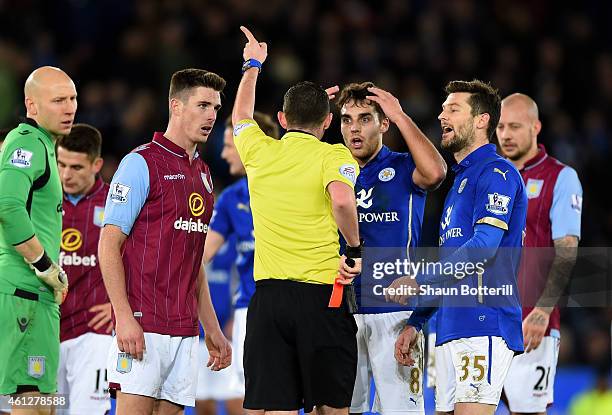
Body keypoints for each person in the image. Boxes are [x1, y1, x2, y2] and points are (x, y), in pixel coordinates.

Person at [232, 27, 362, 415]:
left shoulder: (259, 151)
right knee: (332, 407)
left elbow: (240, 114)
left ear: (281, 118)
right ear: (327, 122)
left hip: (269, 298)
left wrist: (253, 64)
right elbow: (341, 200)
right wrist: (354, 248)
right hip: (322, 297)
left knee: (278, 408)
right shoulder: (334, 156)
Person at [98, 68, 232, 415]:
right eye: (202, 105)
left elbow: (194, 261)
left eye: (216, 108)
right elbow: (108, 245)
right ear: (176, 106)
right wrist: (124, 316)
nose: (211, 116)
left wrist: (211, 329)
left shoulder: (202, 173)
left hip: (185, 330)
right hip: (143, 324)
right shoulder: (140, 163)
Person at [394, 80, 527, 415]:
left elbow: (483, 248)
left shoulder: (497, 174)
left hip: (484, 322)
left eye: (453, 108)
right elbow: (453, 263)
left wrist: (419, 282)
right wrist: (417, 320)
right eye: (443, 108)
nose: (442, 115)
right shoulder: (459, 183)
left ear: (481, 120)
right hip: (450, 325)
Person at [335, 82, 446, 415]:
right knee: (339, 410)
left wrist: (399, 114)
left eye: (364, 118)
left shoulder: (401, 166)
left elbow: (437, 172)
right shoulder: (332, 170)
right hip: (343, 312)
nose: (353, 127)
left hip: (396, 312)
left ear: (383, 124)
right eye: (345, 119)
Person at [497, 93, 582, 415]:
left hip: (531, 320)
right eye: (501, 126)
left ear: (536, 127)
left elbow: (567, 250)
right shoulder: (492, 175)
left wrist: (543, 312)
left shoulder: (560, 177)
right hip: (483, 317)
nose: (505, 134)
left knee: (527, 412)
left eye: (515, 126)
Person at [0, 66, 75, 411]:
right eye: (58, 100)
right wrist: (45, 265)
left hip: (31, 297)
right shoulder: (27, 143)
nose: (69, 107)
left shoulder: (43, 145)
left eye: (72, 98)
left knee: (40, 401)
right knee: (31, 401)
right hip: (24, 295)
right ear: (32, 105)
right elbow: (8, 206)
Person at [198, 112, 280, 415]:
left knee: (295, 395)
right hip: (251, 308)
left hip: (295, 301)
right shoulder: (233, 198)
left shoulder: (292, 184)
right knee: (252, 397)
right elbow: (201, 254)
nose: (223, 153)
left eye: (230, 145)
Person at [56, 123, 112, 414]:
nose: (66, 175)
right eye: (61, 164)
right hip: (44, 329)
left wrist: (119, 307)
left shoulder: (117, 204)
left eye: (76, 167)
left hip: (94, 333)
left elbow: (142, 261)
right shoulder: (40, 199)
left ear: (96, 164)